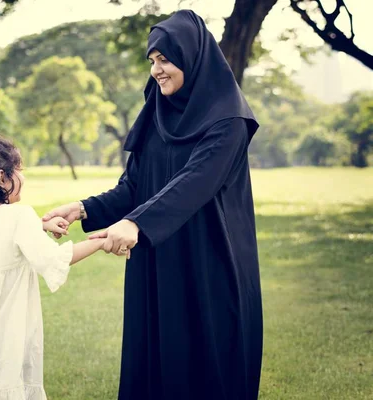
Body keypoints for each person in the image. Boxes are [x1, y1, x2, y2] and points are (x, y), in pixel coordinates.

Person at [43, 10, 263, 400]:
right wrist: (81, 208)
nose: (157, 70)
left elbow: (196, 182)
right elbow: (134, 186)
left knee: (207, 367)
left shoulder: (229, 120)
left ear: (192, 56)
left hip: (210, 263)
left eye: (165, 59)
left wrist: (137, 225)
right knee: (158, 366)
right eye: (152, 61)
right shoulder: (156, 113)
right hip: (159, 262)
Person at [0, 123, 106, 400]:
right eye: (20, 171)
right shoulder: (19, 216)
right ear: (2, 178)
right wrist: (100, 241)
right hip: (6, 324)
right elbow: (54, 259)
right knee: (7, 385)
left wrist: (37, 226)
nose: (23, 178)